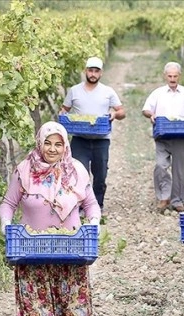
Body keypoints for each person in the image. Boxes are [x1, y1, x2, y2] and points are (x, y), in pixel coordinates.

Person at [0, 121, 102, 316]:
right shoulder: (24, 170)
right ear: (39, 143)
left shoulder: (76, 170)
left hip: (70, 252)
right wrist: (7, 226)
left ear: (65, 145)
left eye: (58, 143)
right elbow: (8, 205)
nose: (53, 149)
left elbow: (91, 205)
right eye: (48, 143)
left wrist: (93, 222)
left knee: (73, 310)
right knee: (36, 314)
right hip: (32, 254)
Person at [60, 56, 126, 211]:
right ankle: (81, 205)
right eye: (90, 70)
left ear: (101, 73)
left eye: (96, 71)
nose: (93, 74)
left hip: (101, 139)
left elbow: (122, 111)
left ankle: (97, 205)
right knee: (79, 173)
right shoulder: (74, 91)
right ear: (86, 71)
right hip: (79, 138)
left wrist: (114, 115)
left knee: (100, 175)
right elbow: (65, 109)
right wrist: (63, 114)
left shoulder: (108, 92)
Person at [142, 61, 184, 213]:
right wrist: (152, 115)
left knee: (180, 170)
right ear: (165, 76)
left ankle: (178, 200)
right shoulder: (158, 93)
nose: (172, 79)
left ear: (179, 76)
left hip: (182, 135)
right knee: (160, 166)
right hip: (162, 135)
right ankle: (164, 196)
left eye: (175, 76)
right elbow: (146, 110)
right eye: (169, 76)